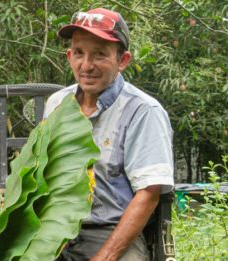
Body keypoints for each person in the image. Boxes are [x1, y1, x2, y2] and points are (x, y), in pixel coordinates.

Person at [43, 8, 174, 261]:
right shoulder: (58, 103)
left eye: (100, 54)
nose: (86, 65)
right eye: (79, 53)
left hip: (110, 231)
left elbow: (149, 194)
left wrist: (104, 258)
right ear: (69, 56)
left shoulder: (143, 111)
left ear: (122, 60)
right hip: (55, 227)